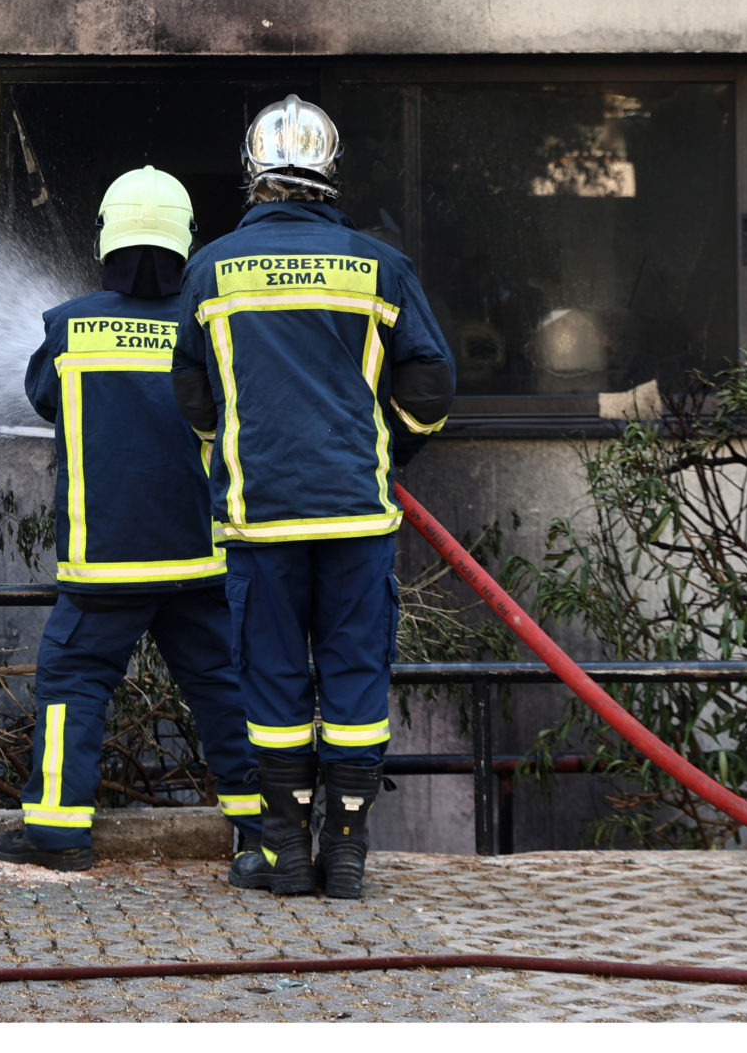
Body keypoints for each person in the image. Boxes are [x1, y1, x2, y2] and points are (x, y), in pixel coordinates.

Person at [172, 97, 455, 901]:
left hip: (260, 518)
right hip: (357, 515)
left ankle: (286, 856)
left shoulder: (212, 268)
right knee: (356, 674)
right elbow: (431, 384)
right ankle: (350, 858)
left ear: (252, 172)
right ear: (329, 172)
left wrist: (226, 448)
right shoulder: (380, 265)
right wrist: (385, 448)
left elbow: (189, 387)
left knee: (271, 681)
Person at [0, 167, 267, 881]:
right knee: (224, 687)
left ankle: (56, 828)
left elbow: (45, 398)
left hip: (104, 560)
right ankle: (260, 831)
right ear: (186, 241)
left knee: (73, 682)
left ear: (107, 238)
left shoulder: (70, 325)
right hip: (199, 558)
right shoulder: (209, 322)